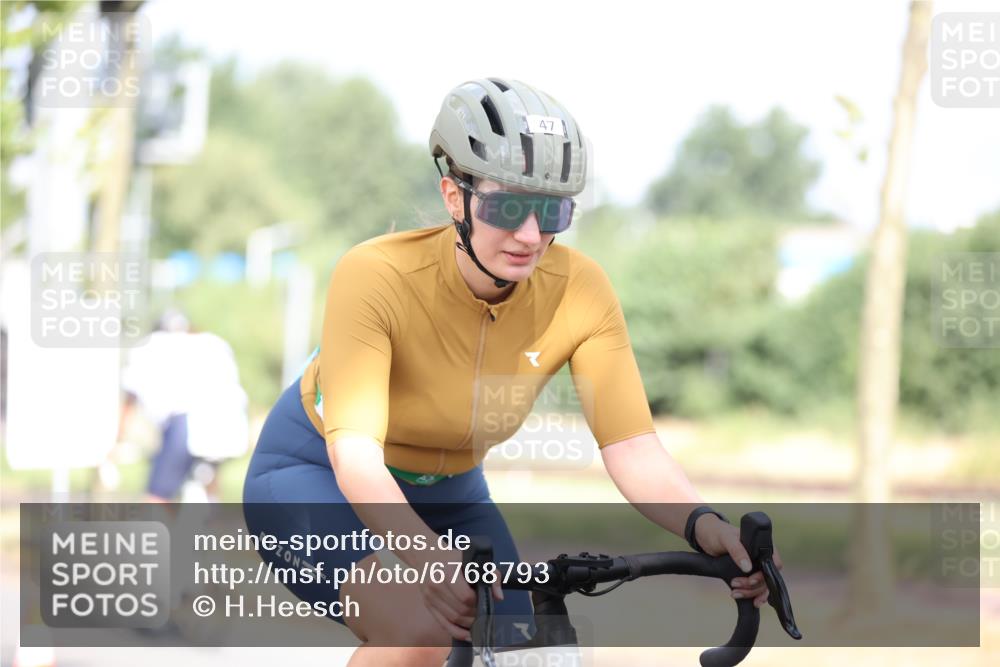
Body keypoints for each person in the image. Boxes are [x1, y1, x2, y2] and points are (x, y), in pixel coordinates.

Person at [243, 78, 780, 666]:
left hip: (452, 493)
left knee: (527, 652)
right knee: (417, 632)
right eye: (507, 206)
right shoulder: (376, 275)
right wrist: (427, 560)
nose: (530, 235)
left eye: (552, 211)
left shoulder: (581, 290)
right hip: (313, 474)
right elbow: (357, 459)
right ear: (456, 198)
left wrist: (704, 525)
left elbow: (632, 446)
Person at [119, 308, 249, 502]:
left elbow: (130, 398)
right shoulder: (214, 343)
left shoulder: (151, 346)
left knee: (156, 496)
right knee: (207, 482)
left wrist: (118, 437)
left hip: (186, 424)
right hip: (229, 426)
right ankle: (207, 523)